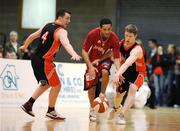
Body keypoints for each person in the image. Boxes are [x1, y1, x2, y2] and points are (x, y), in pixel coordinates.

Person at [19, 9, 81, 120]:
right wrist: (74, 54)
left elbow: (32, 36)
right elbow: (66, 44)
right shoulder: (61, 31)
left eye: (70, 19)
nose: (69, 21)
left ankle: (28, 104)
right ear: (60, 17)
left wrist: (24, 46)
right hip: (45, 61)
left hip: (35, 59)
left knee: (47, 84)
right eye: (67, 18)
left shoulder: (47, 26)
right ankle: (51, 110)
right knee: (57, 86)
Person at [82, 18, 120, 122]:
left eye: (109, 29)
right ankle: (92, 109)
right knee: (91, 90)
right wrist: (90, 66)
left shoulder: (114, 38)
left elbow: (116, 57)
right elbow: (84, 51)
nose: (107, 32)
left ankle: (102, 94)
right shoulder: (92, 34)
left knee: (105, 71)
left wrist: (119, 72)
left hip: (104, 60)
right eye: (105, 29)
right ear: (100, 28)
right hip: (92, 62)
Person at [109, 24, 147, 124]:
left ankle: (122, 115)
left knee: (133, 89)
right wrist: (118, 72)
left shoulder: (137, 49)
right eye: (126, 35)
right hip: (125, 72)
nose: (127, 38)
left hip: (138, 73)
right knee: (118, 94)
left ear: (135, 36)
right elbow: (116, 58)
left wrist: (117, 74)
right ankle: (116, 108)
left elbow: (127, 63)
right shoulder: (120, 44)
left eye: (130, 36)